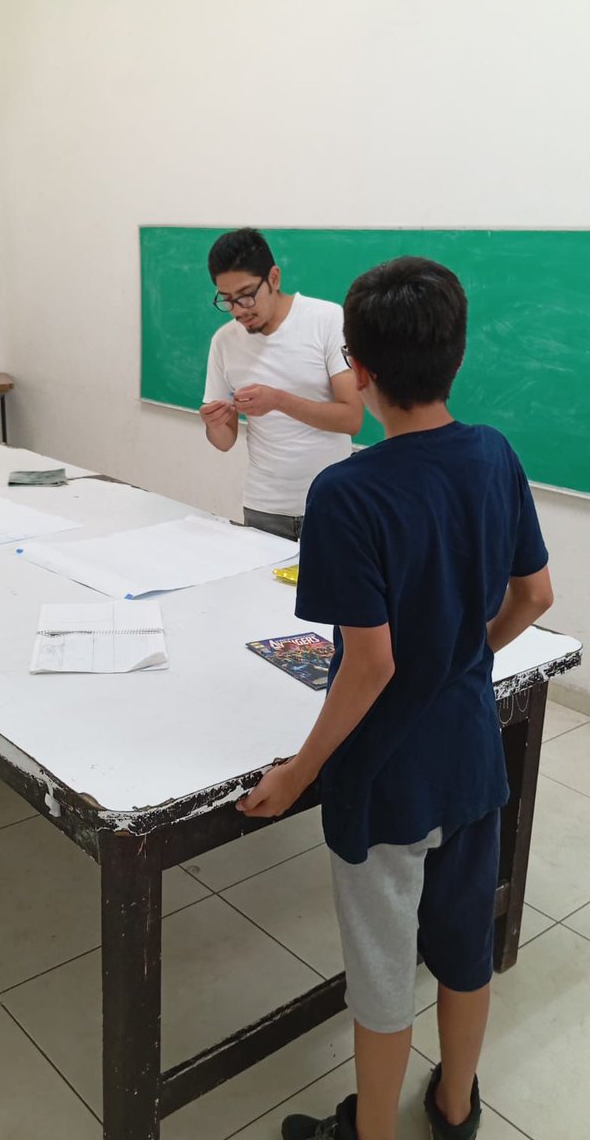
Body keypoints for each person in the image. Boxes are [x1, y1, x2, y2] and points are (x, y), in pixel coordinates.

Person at [237, 256, 553, 1140]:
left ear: (359, 368)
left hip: (386, 779)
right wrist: (456, 656)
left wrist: (299, 776)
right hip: (471, 755)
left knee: (380, 974)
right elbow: (534, 597)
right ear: (454, 354)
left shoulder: (347, 491)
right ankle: (453, 1107)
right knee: (461, 949)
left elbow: (366, 669)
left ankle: (368, 1132)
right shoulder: (493, 452)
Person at [200, 228, 363, 540]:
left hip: (330, 504)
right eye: (228, 300)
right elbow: (224, 441)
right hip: (264, 509)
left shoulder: (326, 320)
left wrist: (279, 401)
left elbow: (351, 418)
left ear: (273, 278)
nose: (239, 310)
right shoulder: (223, 342)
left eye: (247, 295)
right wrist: (214, 422)